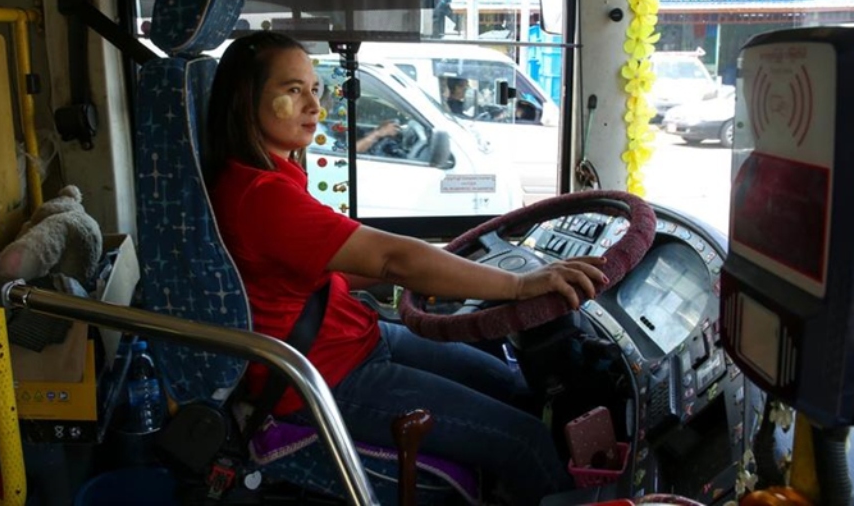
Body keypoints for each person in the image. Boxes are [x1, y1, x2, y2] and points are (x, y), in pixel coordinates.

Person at [204, 31, 607, 504]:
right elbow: (393, 259)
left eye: (315, 89)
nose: (314, 105)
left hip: (358, 336)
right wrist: (518, 285)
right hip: (328, 373)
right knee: (527, 440)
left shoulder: (266, 176)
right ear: (246, 99)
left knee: (513, 385)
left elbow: (339, 268)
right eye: (292, 91)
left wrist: (439, 268)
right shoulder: (263, 196)